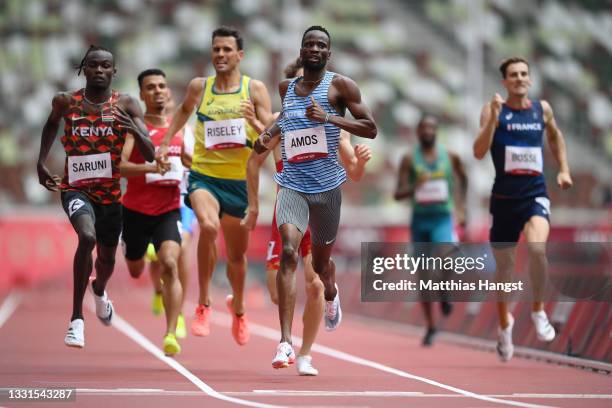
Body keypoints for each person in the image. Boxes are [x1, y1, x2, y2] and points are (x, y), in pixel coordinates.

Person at [250, 26, 377, 368]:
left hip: (327, 189)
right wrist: (267, 135)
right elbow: (287, 123)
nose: (315, 48)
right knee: (289, 253)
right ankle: (285, 343)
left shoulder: (341, 86)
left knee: (321, 267)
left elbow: (371, 127)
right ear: (302, 50)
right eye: (310, 43)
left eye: (321, 44)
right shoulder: (286, 88)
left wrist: (330, 118)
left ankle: (332, 296)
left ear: (328, 53)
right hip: (292, 186)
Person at [158, 26, 274, 345]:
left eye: (226, 50)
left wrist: (254, 123)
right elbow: (181, 113)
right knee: (208, 227)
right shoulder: (200, 87)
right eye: (216, 49)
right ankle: (204, 303)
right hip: (204, 177)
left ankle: (238, 308)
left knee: (236, 259)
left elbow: (271, 134)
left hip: (239, 183)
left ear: (240, 55)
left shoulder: (255, 89)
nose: (220, 55)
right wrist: (166, 141)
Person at [36, 45, 155, 348]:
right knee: (86, 237)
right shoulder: (65, 102)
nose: (99, 71)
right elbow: (51, 125)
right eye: (93, 65)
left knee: (106, 259)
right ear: (83, 69)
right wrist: (41, 161)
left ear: (114, 71)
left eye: (105, 66)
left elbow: (151, 152)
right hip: (76, 189)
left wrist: (135, 131)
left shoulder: (126, 104)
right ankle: (76, 319)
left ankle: (99, 290)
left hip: (110, 196)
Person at [473, 56, 573, 362]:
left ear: (529, 79)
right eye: (513, 75)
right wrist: (492, 118)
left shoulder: (541, 110)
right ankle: (505, 325)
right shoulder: (493, 110)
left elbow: (555, 137)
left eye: (524, 74)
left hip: (535, 194)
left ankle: (538, 310)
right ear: (505, 82)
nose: (519, 78)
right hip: (504, 200)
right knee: (504, 269)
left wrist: (564, 169)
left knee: (537, 248)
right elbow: (478, 152)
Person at [119, 68, 186, 356]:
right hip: (135, 211)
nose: (158, 91)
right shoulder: (136, 129)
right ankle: (140, 253)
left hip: (168, 210)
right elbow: (119, 167)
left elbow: (187, 160)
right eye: (151, 87)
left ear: (168, 92)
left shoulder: (178, 128)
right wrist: (150, 166)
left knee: (171, 264)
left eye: (162, 86)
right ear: (142, 95)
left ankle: (171, 333)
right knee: (135, 271)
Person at [394, 113, 468, 346]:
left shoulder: (450, 157)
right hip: (420, 221)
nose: (428, 131)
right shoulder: (409, 158)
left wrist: (462, 208)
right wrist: (416, 185)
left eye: (432, 127)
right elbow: (397, 194)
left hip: (442, 217)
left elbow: (463, 179)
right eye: (424, 128)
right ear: (418, 132)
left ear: (437, 131)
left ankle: (444, 290)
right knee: (423, 276)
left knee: (448, 255)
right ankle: (431, 326)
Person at [147, 95, 196, 341]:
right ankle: (158, 290)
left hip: (183, 197)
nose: (165, 109)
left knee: (182, 249)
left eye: (169, 104)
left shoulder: (187, 130)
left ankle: (178, 314)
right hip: (155, 197)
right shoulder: (145, 130)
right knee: (157, 259)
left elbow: (196, 162)